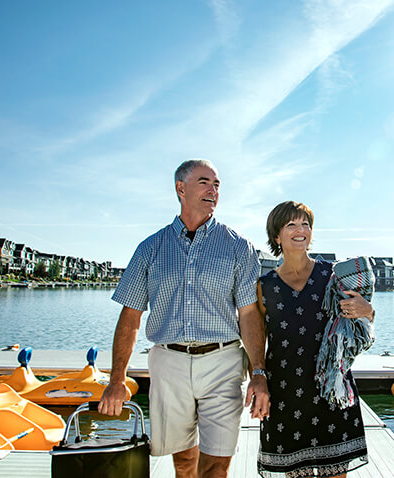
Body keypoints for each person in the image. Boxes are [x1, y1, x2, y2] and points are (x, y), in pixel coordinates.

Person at [98, 159, 270, 478]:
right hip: (168, 363)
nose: (213, 190)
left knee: (217, 463)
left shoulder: (239, 247)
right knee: (184, 461)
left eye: (217, 184)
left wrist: (258, 371)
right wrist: (117, 379)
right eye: (205, 182)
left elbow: (250, 314)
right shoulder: (150, 248)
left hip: (223, 361)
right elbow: (130, 316)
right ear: (181, 188)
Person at [256, 201, 374, 478]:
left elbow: (362, 323)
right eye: (291, 225)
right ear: (277, 236)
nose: (301, 230)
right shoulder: (264, 286)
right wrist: (257, 378)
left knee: (336, 474)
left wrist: (368, 311)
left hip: (331, 389)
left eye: (306, 224)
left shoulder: (334, 276)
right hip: (285, 392)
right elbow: (256, 337)